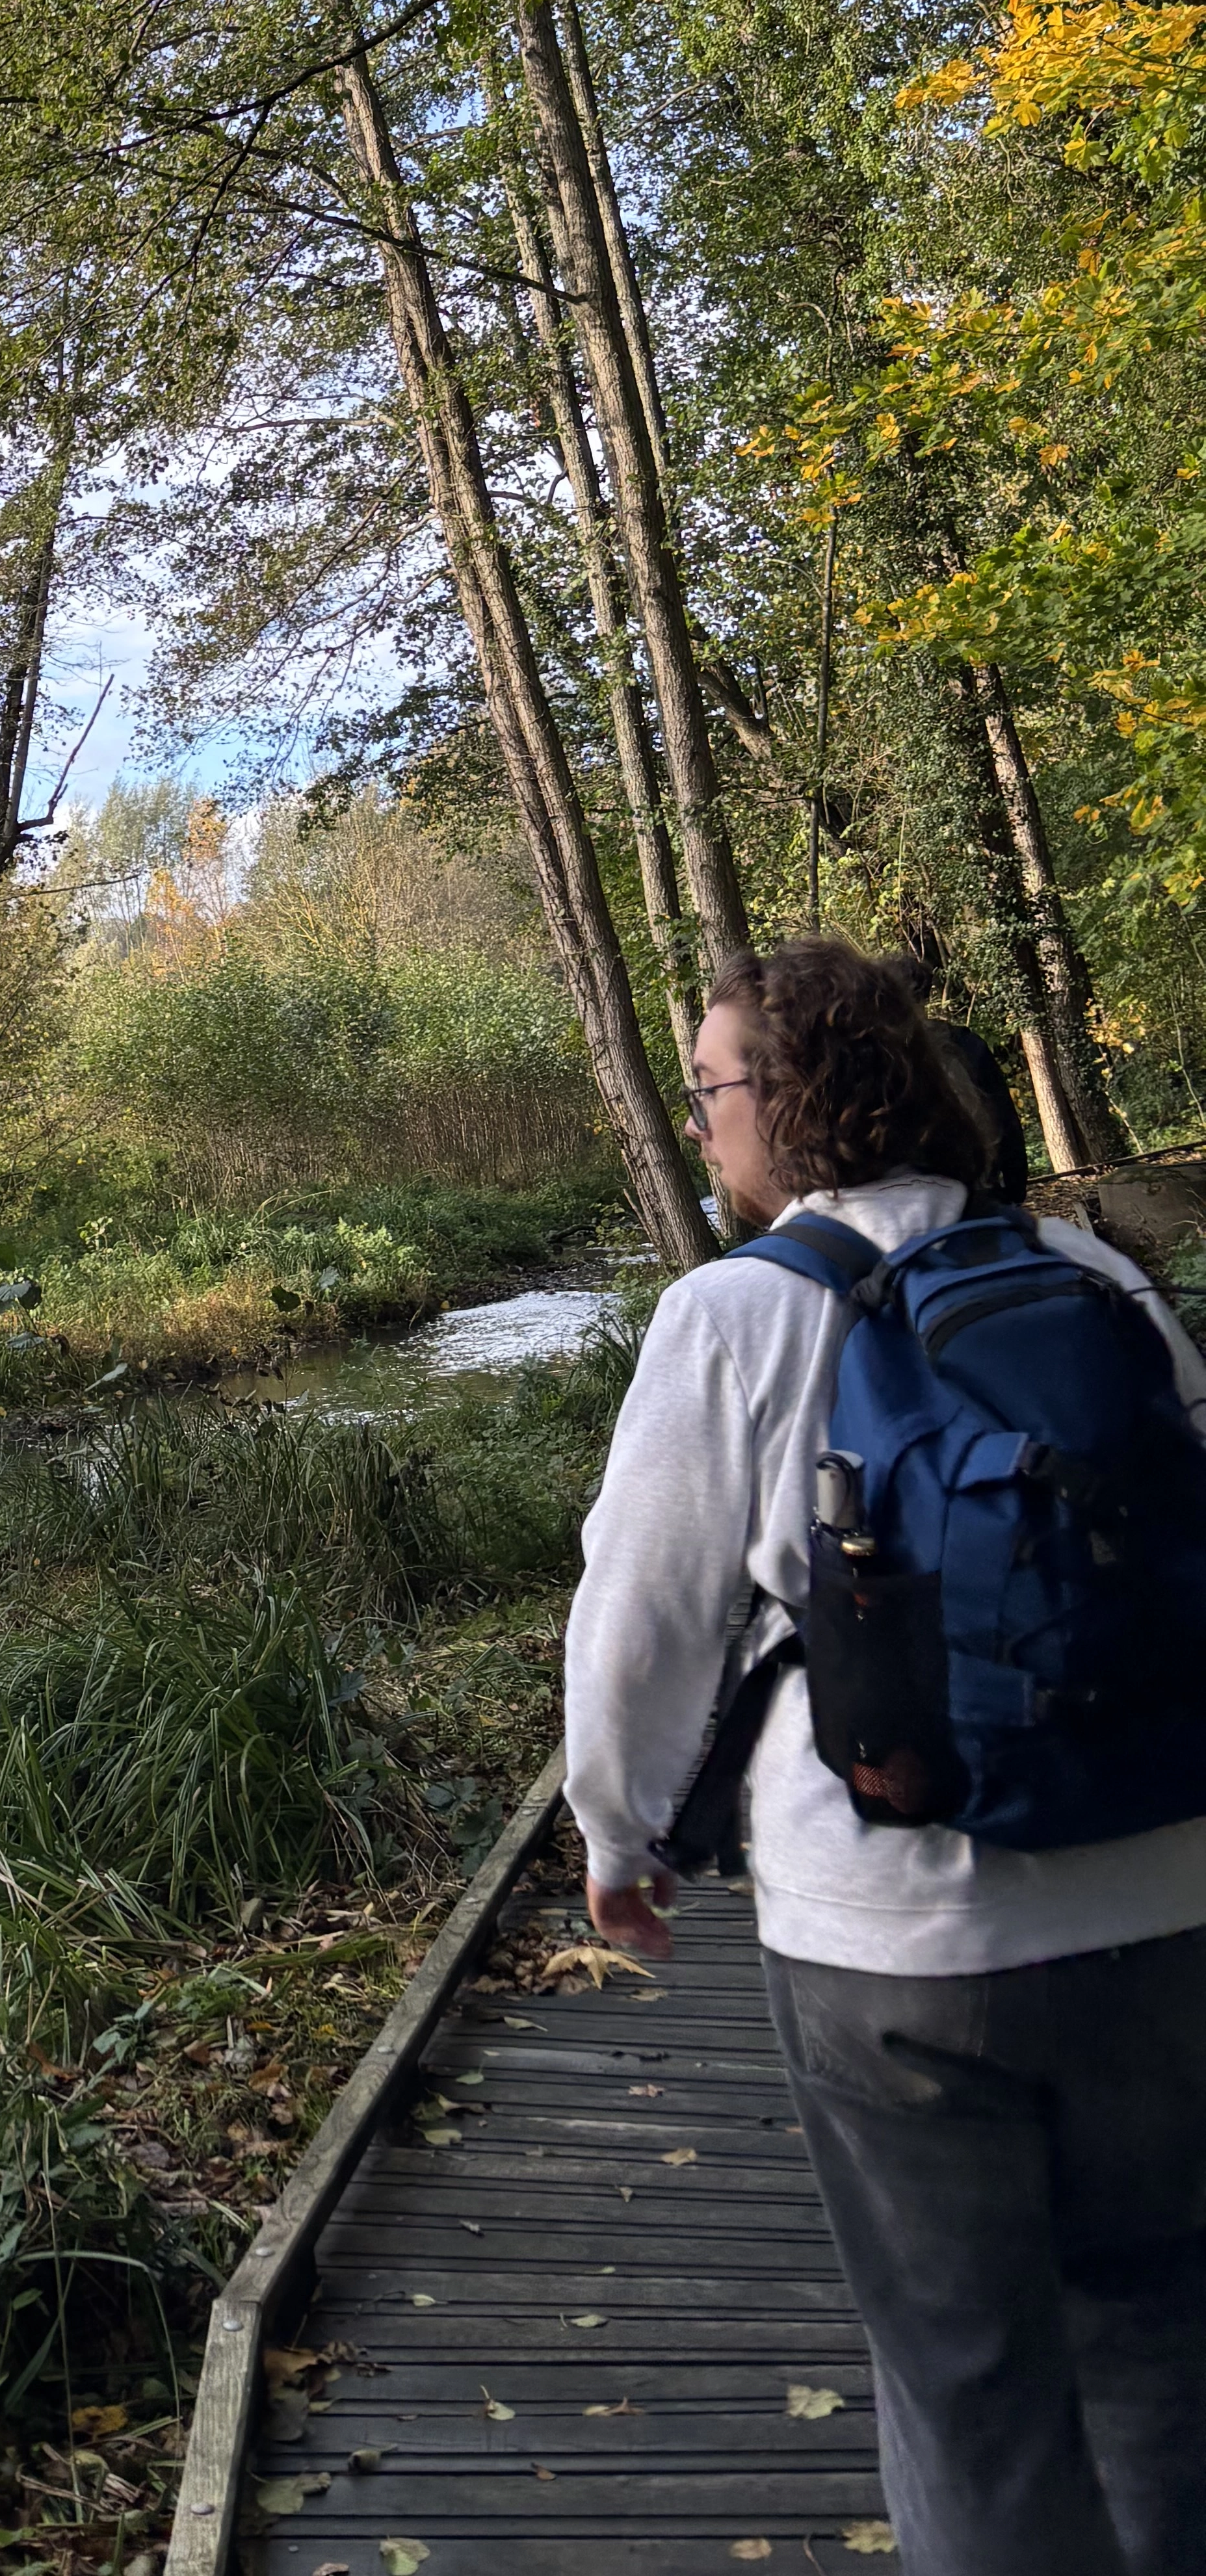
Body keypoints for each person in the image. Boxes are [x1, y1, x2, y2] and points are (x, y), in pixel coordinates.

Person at [566, 937, 1206, 2576]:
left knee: (966, 2383)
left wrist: (619, 1837)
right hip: (1167, 1889)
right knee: (1164, 2340)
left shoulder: (732, 1317)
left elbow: (639, 1620)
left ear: (786, 1108)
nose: (704, 1122)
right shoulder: (1096, 1278)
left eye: (711, 1090)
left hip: (895, 1939)